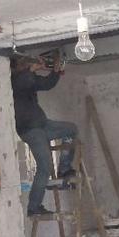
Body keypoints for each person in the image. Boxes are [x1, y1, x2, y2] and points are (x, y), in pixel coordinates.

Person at [11, 55, 77, 216]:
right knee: (45, 167)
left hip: (42, 125)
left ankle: (64, 168)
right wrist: (32, 69)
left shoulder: (29, 78)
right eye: (28, 65)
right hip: (31, 130)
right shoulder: (15, 79)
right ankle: (34, 207)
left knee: (71, 129)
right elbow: (25, 81)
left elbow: (46, 84)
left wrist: (56, 72)